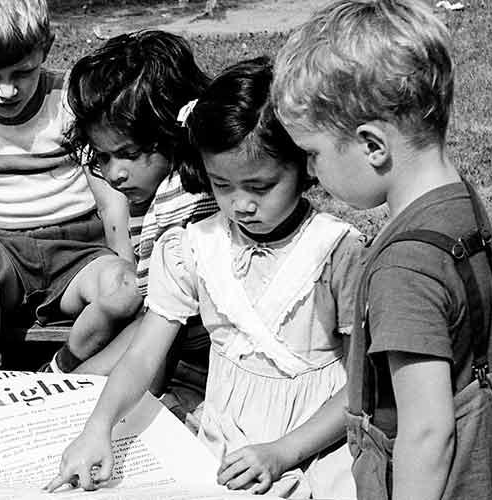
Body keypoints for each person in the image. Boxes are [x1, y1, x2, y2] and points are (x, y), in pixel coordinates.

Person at [46, 57, 363, 499]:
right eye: (223, 185)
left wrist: (281, 452)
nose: (241, 205)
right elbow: (142, 356)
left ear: (304, 165)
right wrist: (97, 427)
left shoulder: (335, 252)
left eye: (260, 186)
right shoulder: (194, 248)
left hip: (319, 446)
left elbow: (362, 381)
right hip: (224, 442)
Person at [273, 1, 492, 498]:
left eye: (313, 153)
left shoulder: (404, 268)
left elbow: (427, 432)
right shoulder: (459, 203)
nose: (311, 172)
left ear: (373, 145)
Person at [0, 0, 140, 373]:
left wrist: (124, 259)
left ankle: (63, 367)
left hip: (79, 253)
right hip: (6, 258)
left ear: (45, 47)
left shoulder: (68, 98)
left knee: (124, 289)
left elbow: (108, 195)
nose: (6, 91)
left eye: (21, 72)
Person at [60, 30, 220, 421]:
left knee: (78, 392)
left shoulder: (179, 204)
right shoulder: (158, 187)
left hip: (197, 361)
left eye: (128, 154)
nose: (114, 173)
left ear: (170, 131)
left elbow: (161, 336)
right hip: (173, 340)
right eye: (102, 156)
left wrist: (82, 389)